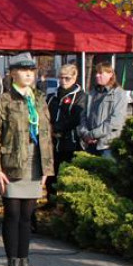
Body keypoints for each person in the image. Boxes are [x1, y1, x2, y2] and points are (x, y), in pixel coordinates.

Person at [0, 53, 54, 266]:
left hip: (35, 161)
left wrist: (47, 167)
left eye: (31, 70)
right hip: (12, 163)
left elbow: (46, 135)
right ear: (12, 73)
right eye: (23, 70)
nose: (28, 74)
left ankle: (25, 263)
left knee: (27, 216)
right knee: (13, 215)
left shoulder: (40, 99)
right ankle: (12, 264)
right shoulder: (3, 101)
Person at [45, 63, 87, 200]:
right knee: (51, 173)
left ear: (75, 77)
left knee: (70, 173)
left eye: (67, 78)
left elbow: (75, 118)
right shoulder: (52, 96)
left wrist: (58, 128)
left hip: (71, 141)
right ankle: (51, 200)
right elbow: (45, 114)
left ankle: (69, 202)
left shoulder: (81, 96)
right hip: (52, 141)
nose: (63, 81)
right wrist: (49, 129)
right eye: (61, 78)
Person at [78, 63, 128, 158]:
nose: (97, 75)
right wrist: (85, 134)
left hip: (107, 145)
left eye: (101, 73)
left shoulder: (118, 94)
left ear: (110, 74)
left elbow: (115, 121)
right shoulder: (91, 94)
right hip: (90, 145)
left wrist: (93, 134)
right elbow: (83, 116)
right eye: (96, 73)